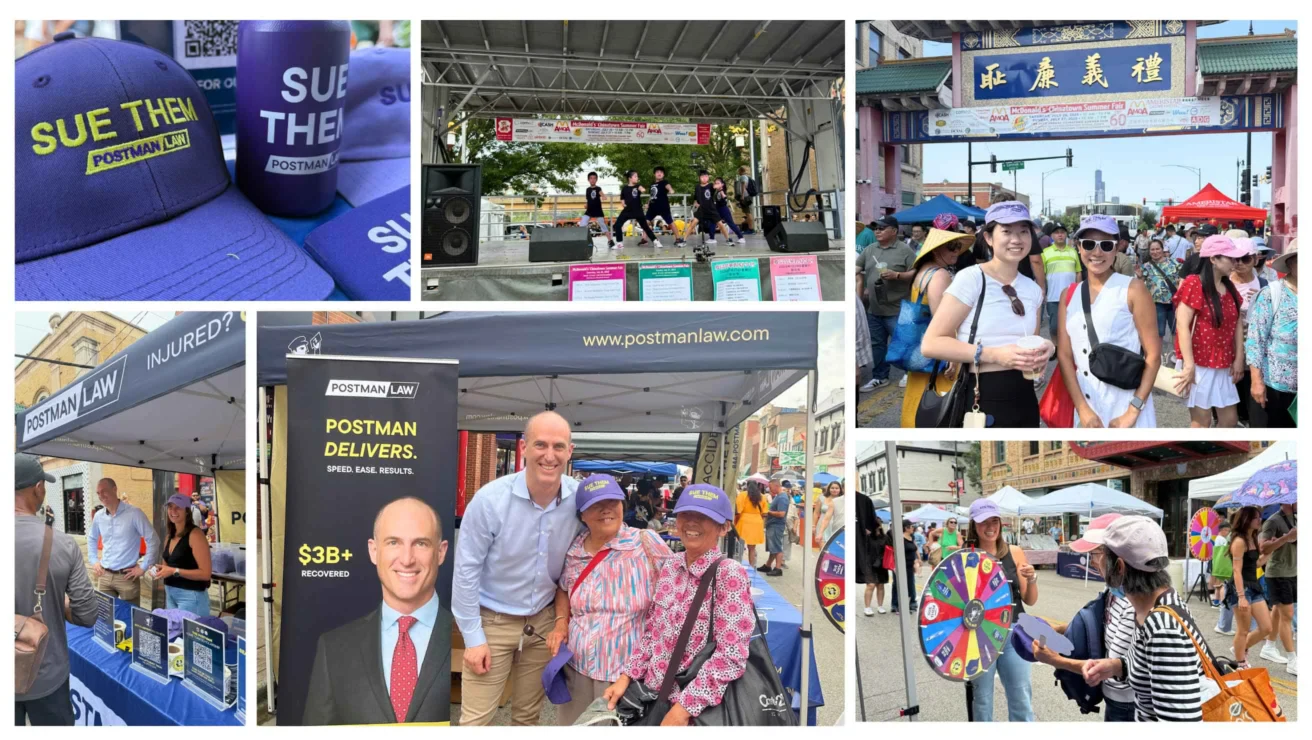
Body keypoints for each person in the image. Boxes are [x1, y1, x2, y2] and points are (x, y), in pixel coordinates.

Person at [452, 411, 580, 725]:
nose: (549, 455)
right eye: (540, 445)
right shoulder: (489, 501)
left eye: (558, 446)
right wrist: (473, 638)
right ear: (523, 447)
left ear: (570, 451)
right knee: (475, 722)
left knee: (527, 719)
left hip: (543, 623)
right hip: (492, 623)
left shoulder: (580, 500)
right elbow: (465, 572)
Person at [602, 485, 754, 725]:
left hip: (693, 711)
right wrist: (626, 676)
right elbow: (653, 632)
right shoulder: (671, 566)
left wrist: (684, 708)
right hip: (653, 698)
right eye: (685, 515)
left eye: (704, 517)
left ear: (723, 527)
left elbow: (731, 655)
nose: (691, 523)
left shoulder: (729, 575)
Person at [304, 498, 452, 724]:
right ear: (374, 551)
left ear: (441, 553)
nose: (406, 559)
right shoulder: (333, 649)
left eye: (420, 543)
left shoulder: (468, 638)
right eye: (394, 542)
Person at [549, 474, 674, 724]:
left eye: (613, 501)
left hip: (628, 673)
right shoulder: (574, 550)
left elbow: (679, 584)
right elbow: (563, 588)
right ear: (582, 515)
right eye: (596, 504)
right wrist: (561, 622)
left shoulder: (645, 543)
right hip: (578, 669)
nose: (606, 509)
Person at [921, 201, 1049, 427]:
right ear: (989, 238)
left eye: (1023, 231)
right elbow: (931, 344)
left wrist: (1048, 347)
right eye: (1007, 231)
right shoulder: (971, 279)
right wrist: (994, 355)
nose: (1016, 239)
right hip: (980, 394)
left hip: (1025, 396)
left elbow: (1031, 339)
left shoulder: (1032, 289)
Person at [1083, 516, 1211, 721]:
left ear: (1120, 567)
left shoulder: (1162, 629)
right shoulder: (1156, 604)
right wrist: (1116, 666)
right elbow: (1149, 667)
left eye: (1101, 556)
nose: (1096, 562)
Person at [15, 453, 98, 725]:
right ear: (38, 489)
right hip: (47, 676)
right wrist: (58, 601)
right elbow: (87, 615)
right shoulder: (63, 544)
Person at [1056, 214, 1160, 428]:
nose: (1097, 252)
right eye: (1088, 244)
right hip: (1086, 409)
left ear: (1117, 248)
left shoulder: (1132, 289)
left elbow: (1153, 355)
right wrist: (1082, 409)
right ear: (1078, 247)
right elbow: (1065, 355)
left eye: (1105, 245)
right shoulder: (1069, 295)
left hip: (1125, 406)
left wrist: (1133, 410)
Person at [1032, 513, 1138, 721]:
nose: (1092, 563)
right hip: (1114, 698)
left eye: (1095, 554)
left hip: (1126, 704)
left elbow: (1109, 667)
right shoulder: (1114, 590)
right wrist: (1060, 629)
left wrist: (1055, 660)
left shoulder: (1132, 604)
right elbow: (1104, 627)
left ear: (1116, 557)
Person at [964, 499, 1037, 722]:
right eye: (983, 521)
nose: (990, 526)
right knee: (982, 700)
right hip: (979, 634)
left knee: (1021, 697)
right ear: (973, 525)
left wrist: (1032, 579)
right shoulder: (965, 556)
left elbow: (1030, 600)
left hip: (1014, 631)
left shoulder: (1014, 552)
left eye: (994, 520)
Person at [899, 228, 973, 427]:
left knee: (919, 392)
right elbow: (941, 318)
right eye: (951, 247)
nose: (956, 251)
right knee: (939, 395)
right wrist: (951, 354)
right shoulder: (939, 275)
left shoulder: (922, 272)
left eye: (958, 247)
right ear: (935, 250)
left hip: (919, 347)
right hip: (936, 350)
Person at [1174, 234, 1247, 427]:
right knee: (1201, 421)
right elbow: (1182, 324)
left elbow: (1237, 322)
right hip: (1198, 362)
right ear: (1213, 259)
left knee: (1230, 420)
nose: (1235, 262)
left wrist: (1239, 357)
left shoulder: (1229, 287)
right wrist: (1188, 365)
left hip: (1224, 362)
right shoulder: (1194, 283)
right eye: (1230, 258)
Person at [856, 215, 917, 391]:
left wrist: (897, 275)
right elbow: (856, 268)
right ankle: (880, 377)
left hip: (897, 308)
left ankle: (909, 373)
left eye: (882, 228)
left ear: (894, 231)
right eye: (875, 228)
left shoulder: (904, 250)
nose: (877, 231)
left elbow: (915, 273)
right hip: (874, 308)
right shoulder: (869, 250)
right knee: (877, 344)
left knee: (902, 342)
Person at [1245, 240, 1297, 428]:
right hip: (1273, 386)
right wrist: (1256, 382)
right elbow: (1255, 341)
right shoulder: (1271, 293)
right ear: (1291, 263)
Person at [86, 477, 159, 607]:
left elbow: (153, 539)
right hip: (104, 574)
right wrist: (93, 560)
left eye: (104, 491)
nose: (101, 496)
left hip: (127, 576)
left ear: (114, 490)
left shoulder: (134, 513)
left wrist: (143, 567)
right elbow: (92, 538)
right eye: (98, 493)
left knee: (129, 617)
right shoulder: (99, 516)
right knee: (105, 617)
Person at [1228, 505, 1273, 668]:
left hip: (1253, 587)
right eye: (1256, 517)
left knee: (1266, 627)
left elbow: (1256, 564)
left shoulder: (1252, 538)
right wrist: (1241, 596)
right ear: (1247, 520)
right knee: (1243, 629)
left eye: (1259, 517)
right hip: (1241, 589)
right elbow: (1236, 570)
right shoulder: (1239, 541)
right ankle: (1240, 663)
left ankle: (1240, 649)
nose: (1259, 520)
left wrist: (1271, 549)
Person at [153, 493, 212, 614]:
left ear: (187, 511)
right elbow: (167, 568)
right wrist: (158, 570)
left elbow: (206, 574)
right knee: (174, 632)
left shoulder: (195, 534)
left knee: (188, 633)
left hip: (191, 596)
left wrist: (174, 571)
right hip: (170, 594)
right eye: (170, 507)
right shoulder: (170, 535)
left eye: (178, 507)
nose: (173, 511)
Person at [1258, 503, 1297, 674]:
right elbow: (1263, 547)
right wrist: (1286, 537)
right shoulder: (1273, 521)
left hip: (1292, 570)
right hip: (1278, 573)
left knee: (1277, 611)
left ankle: (1269, 646)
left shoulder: (1296, 517)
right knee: (1287, 615)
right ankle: (1292, 660)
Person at [1139, 238, 1181, 362]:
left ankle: (1176, 356)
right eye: (1152, 249)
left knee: (1177, 330)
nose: (1155, 252)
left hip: (1174, 303)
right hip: (1156, 304)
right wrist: (1140, 277)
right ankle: (1158, 357)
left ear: (1163, 250)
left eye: (1158, 249)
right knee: (1158, 332)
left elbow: (1182, 281)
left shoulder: (1175, 264)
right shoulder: (1145, 267)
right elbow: (1141, 286)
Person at [1041, 222, 1078, 336]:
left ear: (1066, 234)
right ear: (1052, 236)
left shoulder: (1073, 252)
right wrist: (1043, 293)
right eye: (1057, 232)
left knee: (1071, 326)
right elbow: (1041, 275)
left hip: (1071, 296)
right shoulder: (1045, 253)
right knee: (1054, 328)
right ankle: (1056, 350)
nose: (1060, 235)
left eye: (1062, 232)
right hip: (1053, 297)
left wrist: (1079, 290)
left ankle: (1068, 351)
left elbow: (1078, 272)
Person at [857, 495, 889, 615]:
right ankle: (867, 607)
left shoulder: (884, 537)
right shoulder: (866, 537)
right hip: (869, 563)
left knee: (880, 585)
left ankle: (880, 606)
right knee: (870, 584)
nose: (877, 525)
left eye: (879, 523)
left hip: (881, 563)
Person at [612, 170, 660, 249]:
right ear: (630, 178)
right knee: (617, 225)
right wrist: (623, 203)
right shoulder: (624, 188)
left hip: (637, 210)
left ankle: (655, 241)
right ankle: (619, 243)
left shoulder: (637, 186)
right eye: (635, 176)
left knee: (645, 227)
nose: (637, 178)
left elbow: (642, 189)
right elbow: (622, 198)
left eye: (637, 176)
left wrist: (642, 189)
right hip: (627, 211)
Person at [734, 480, 770, 568]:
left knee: (740, 546)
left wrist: (735, 522)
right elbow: (765, 513)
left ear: (747, 486)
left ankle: (738, 565)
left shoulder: (742, 495)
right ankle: (751, 566)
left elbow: (738, 511)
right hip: (757, 522)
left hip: (744, 521)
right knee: (752, 548)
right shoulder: (762, 496)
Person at [760, 476, 789, 577]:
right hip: (772, 525)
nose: (770, 489)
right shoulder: (778, 496)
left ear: (776, 486)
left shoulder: (782, 498)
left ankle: (778, 568)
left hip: (776, 525)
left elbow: (781, 513)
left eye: (770, 487)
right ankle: (768, 565)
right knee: (773, 547)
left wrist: (768, 512)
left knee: (776, 547)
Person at [889, 520, 919, 615]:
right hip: (900, 564)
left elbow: (915, 548)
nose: (913, 528)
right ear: (906, 528)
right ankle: (895, 605)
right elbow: (894, 552)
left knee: (911, 584)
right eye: (911, 526)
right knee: (897, 584)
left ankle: (912, 604)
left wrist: (918, 559)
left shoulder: (912, 537)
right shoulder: (899, 538)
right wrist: (895, 566)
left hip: (910, 564)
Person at [580, 171, 616, 248]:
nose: (592, 180)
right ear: (588, 180)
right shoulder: (587, 190)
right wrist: (586, 204)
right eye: (591, 178)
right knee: (582, 223)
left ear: (596, 180)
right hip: (589, 210)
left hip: (598, 210)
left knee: (602, 225)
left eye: (594, 178)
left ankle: (610, 240)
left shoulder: (598, 188)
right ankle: (584, 240)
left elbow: (603, 195)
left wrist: (604, 197)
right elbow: (588, 199)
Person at [685, 170, 721, 247]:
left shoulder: (711, 185)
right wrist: (696, 203)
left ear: (708, 177)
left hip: (710, 209)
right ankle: (684, 240)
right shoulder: (697, 187)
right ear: (699, 178)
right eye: (702, 177)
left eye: (706, 176)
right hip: (701, 209)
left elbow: (716, 187)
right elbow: (695, 198)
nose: (704, 178)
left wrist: (718, 185)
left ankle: (728, 239)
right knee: (693, 224)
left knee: (720, 224)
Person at [645, 166, 676, 242]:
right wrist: (648, 204)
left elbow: (668, 187)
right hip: (652, 207)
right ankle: (644, 239)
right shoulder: (652, 184)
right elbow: (651, 195)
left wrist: (671, 190)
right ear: (654, 174)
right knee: (645, 222)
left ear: (663, 175)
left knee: (670, 223)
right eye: (657, 172)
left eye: (661, 172)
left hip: (663, 207)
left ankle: (678, 238)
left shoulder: (664, 182)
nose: (659, 173)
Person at [713, 177, 746, 244]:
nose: (716, 184)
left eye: (718, 183)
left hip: (723, 209)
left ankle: (741, 237)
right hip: (717, 209)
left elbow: (724, 197)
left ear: (722, 184)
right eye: (715, 183)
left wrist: (723, 194)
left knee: (730, 223)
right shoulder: (716, 191)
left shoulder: (721, 190)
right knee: (712, 222)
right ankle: (711, 238)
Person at [734, 165, 755, 233]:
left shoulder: (743, 177)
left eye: (739, 171)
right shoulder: (746, 177)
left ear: (741, 171)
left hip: (745, 197)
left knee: (748, 213)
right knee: (747, 213)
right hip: (747, 196)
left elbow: (743, 186)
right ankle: (749, 228)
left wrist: (742, 196)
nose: (738, 172)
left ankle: (751, 229)